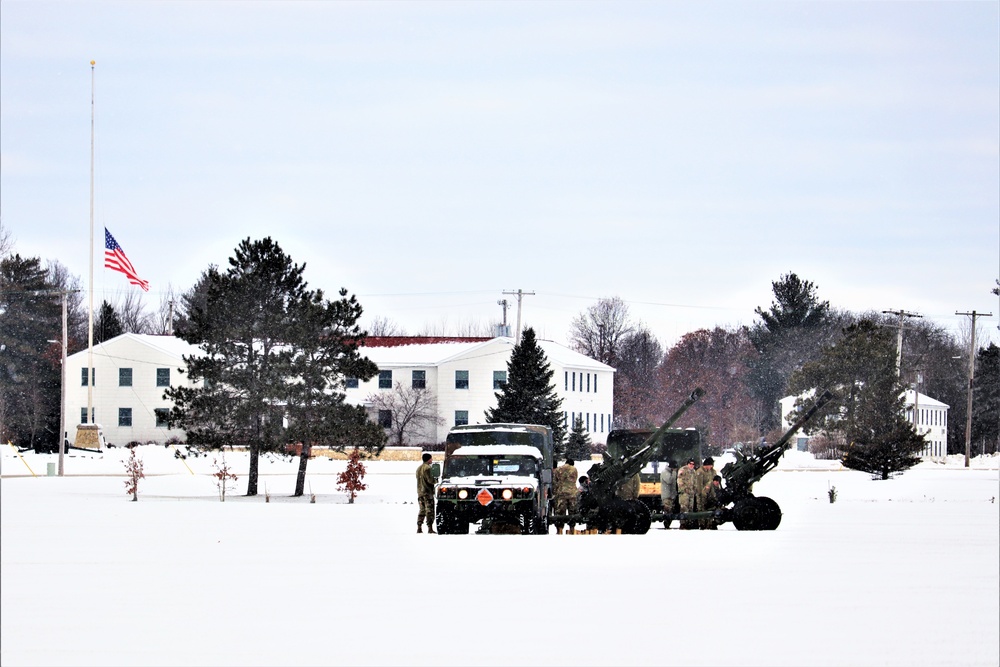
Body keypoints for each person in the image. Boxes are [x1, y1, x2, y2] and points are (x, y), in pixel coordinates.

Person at [552, 458, 579, 534]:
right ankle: (572, 529)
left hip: (561, 493)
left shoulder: (558, 469)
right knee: (572, 512)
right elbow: (574, 480)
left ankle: (559, 530)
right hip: (572, 493)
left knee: (560, 512)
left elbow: (555, 482)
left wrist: (555, 492)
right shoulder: (574, 469)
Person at [695, 457, 719, 529]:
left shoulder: (713, 472)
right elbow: (699, 485)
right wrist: (701, 495)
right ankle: (702, 524)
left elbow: (715, 482)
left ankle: (710, 524)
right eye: (711, 465)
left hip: (711, 495)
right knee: (702, 509)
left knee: (711, 508)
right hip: (702, 494)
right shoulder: (700, 472)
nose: (711, 467)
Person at [416, 452, 436, 533]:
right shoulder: (428, 468)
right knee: (429, 510)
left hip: (420, 492)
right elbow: (430, 480)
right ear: (428, 459)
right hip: (427, 492)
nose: (432, 460)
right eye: (431, 458)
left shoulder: (419, 468)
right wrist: (436, 480)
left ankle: (419, 527)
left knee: (422, 510)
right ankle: (430, 528)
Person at [676, 458, 698, 529]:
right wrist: (684, 489)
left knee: (690, 508)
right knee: (684, 508)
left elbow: (695, 481)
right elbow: (679, 481)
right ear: (687, 464)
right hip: (684, 493)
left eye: (693, 464)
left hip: (691, 493)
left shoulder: (693, 472)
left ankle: (689, 523)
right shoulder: (683, 470)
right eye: (690, 464)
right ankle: (683, 523)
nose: (691, 465)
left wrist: (694, 489)